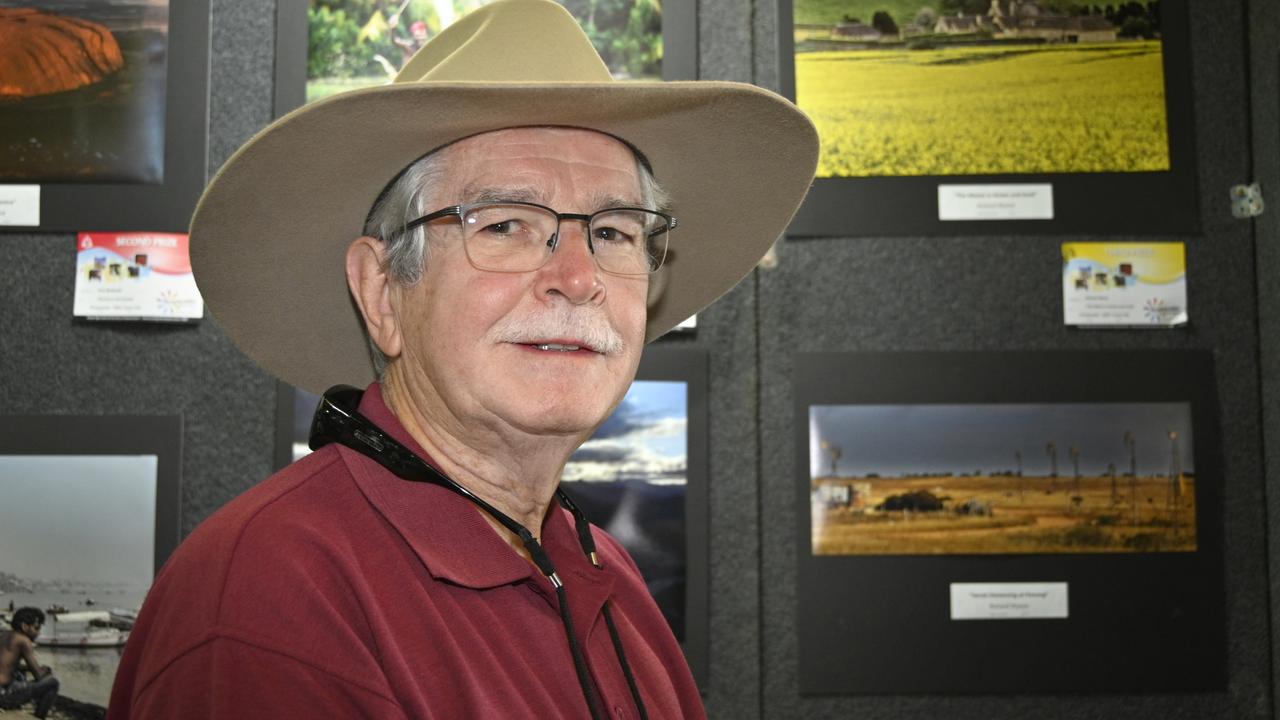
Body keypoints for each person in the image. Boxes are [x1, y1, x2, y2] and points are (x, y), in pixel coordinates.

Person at [107, 0, 817, 717]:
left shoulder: (604, 570)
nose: (578, 277)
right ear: (383, 291)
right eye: (506, 224)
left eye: (613, 231)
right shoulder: (273, 600)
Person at [0, 607, 59, 719]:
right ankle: (39, 716)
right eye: (36, 628)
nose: (38, 633)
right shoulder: (23, 640)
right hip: (2, 696)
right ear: (25, 626)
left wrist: (26, 668)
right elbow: (38, 675)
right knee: (52, 683)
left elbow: (6, 665)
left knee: (20, 674)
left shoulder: (4, 635)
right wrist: (46, 669)